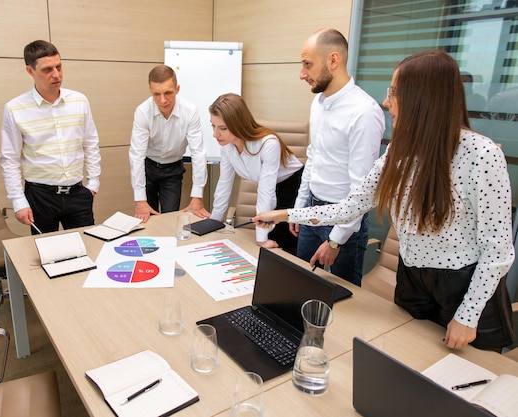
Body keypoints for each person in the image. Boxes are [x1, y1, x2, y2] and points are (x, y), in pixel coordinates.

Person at [254, 50, 515, 352]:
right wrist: (285, 215)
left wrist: (468, 316)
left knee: (467, 380)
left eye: (394, 92)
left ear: (422, 98)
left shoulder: (482, 155)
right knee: (409, 362)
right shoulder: (398, 153)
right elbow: (349, 207)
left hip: (464, 287)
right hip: (411, 280)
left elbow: (498, 250)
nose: (387, 101)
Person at [292, 28, 385, 286]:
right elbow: (314, 156)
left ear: (333, 60)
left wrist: (336, 239)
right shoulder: (318, 103)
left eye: (308, 65)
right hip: (312, 210)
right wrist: (301, 206)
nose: (302, 74)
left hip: (344, 222)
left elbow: (363, 190)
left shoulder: (364, 112)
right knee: (302, 285)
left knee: (341, 300)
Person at [0, 40, 101, 234]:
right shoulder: (15, 108)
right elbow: (9, 159)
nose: (56, 75)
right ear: (30, 71)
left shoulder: (79, 100)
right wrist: (18, 200)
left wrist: (93, 183)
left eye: (59, 67)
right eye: (47, 70)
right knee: (47, 255)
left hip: (78, 193)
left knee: (87, 248)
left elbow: (91, 144)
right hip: (40, 196)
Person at [208, 93, 303, 249]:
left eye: (222, 128)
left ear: (238, 123)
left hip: (293, 189)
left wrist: (261, 238)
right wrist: (214, 222)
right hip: (272, 190)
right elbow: (224, 184)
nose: (215, 134)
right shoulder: (226, 146)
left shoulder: (268, 144)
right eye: (213, 125)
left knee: (281, 247)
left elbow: (266, 192)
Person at [129, 64, 209, 222]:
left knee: (170, 219)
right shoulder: (143, 112)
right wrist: (140, 200)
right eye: (156, 94)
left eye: (168, 93)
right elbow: (136, 155)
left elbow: (198, 153)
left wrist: (197, 196)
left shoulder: (190, 111)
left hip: (173, 170)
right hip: (148, 168)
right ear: (150, 91)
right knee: (147, 221)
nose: (163, 100)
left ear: (177, 89)